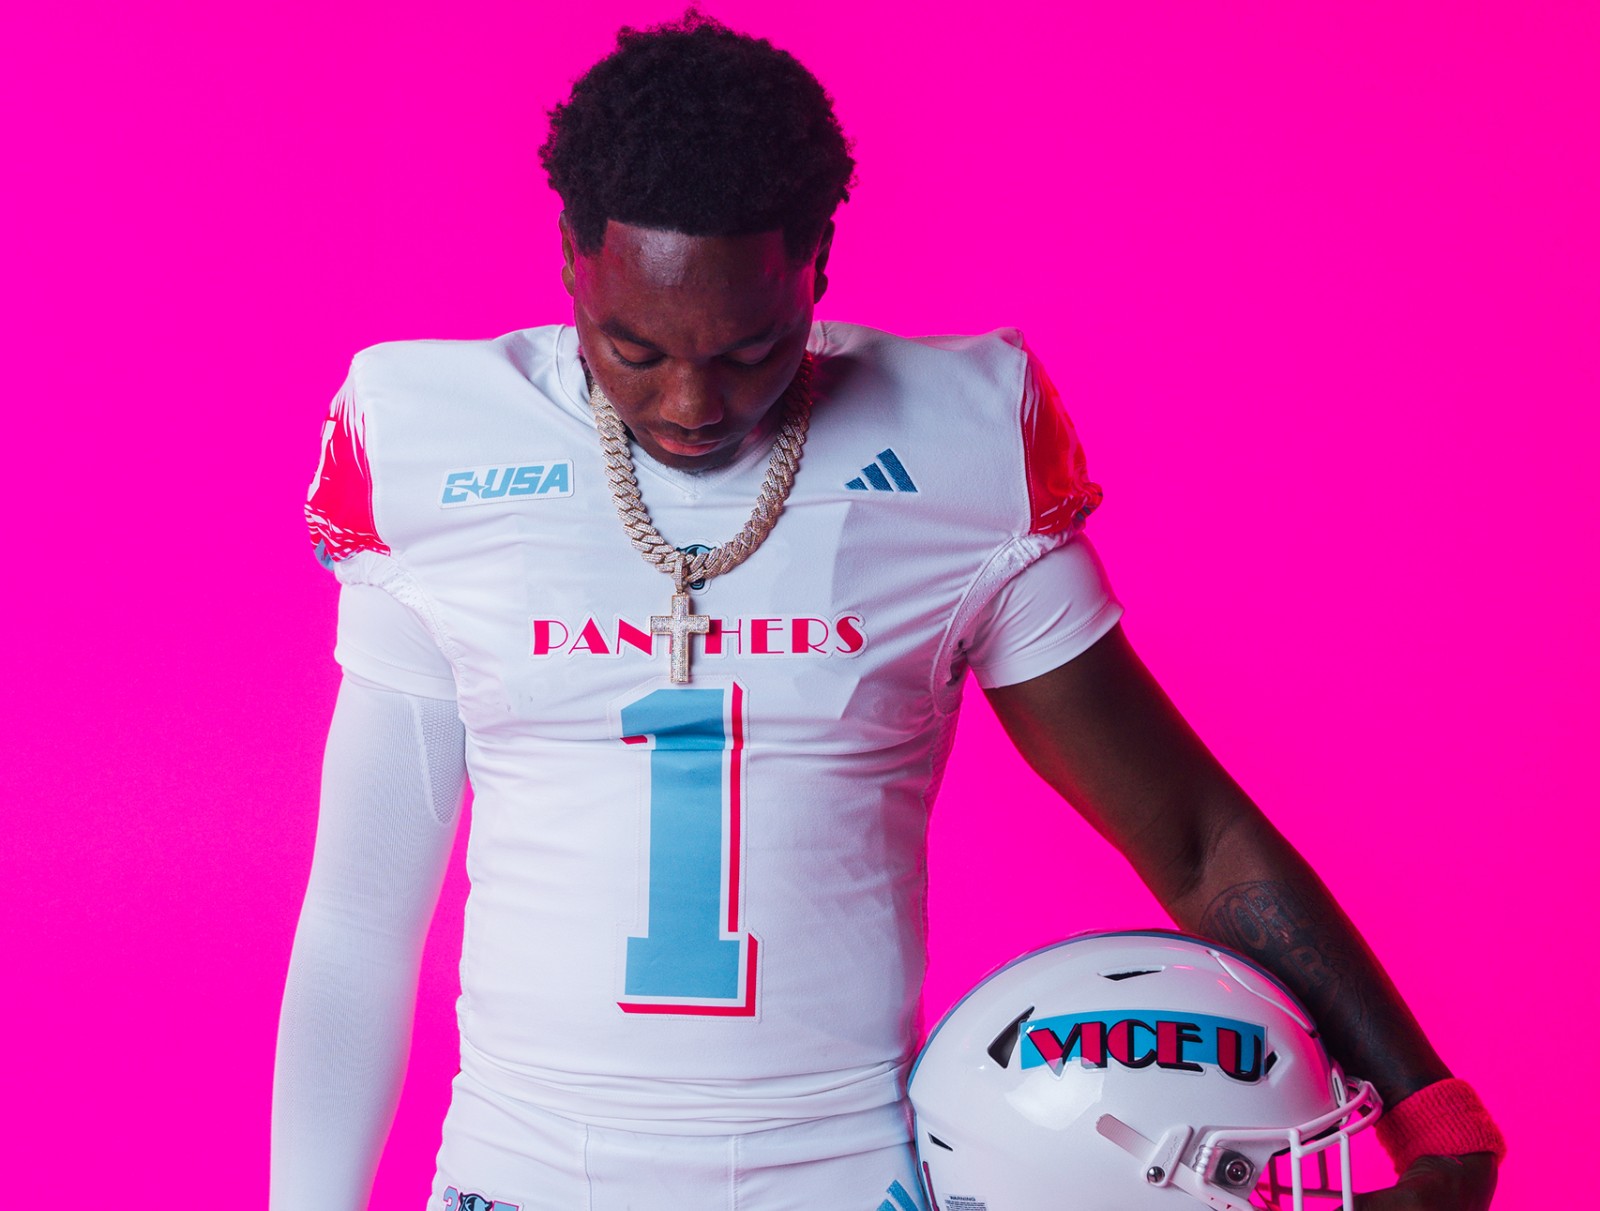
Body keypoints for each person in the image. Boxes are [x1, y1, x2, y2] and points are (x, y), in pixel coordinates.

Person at [272, 12, 1503, 1210]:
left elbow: (1187, 832)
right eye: (632, 348)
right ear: (570, 261)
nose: (692, 403)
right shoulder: (431, 440)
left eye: (749, 349)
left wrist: (1430, 1112)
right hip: (524, 1172)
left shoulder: (957, 446)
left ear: (816, 262)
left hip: (845, 1175)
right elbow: (362, 915)